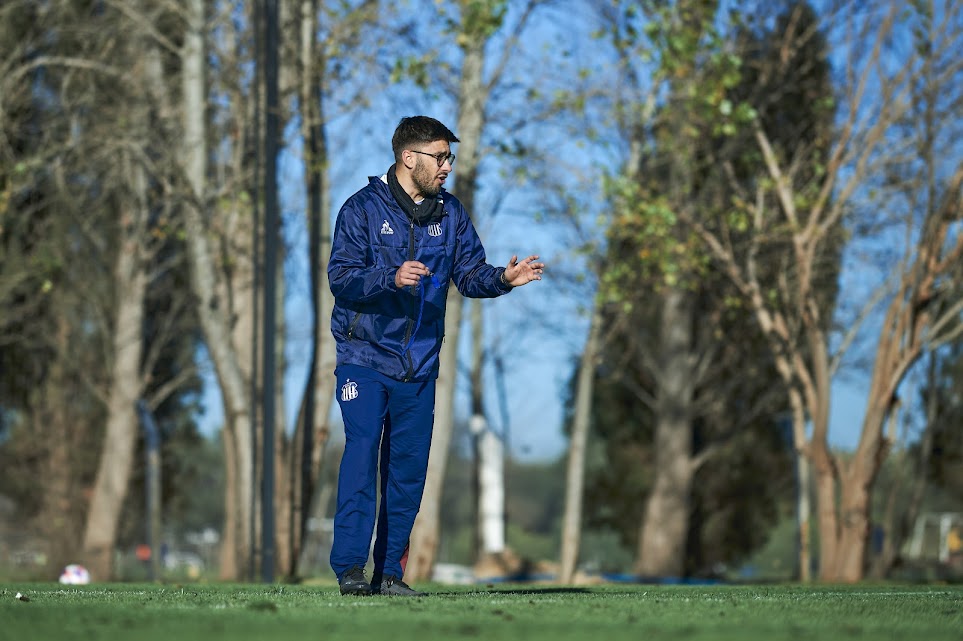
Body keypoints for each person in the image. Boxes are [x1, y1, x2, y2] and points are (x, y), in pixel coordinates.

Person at [327, 116, 544, 596]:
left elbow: (469, 275)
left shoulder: (452, 214)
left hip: (420, 366)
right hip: (362, 358)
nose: (447, 166)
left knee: (407, 471)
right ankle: (349, 570)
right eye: (440, 157)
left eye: (450, 157)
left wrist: (503, 281)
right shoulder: (361, 210)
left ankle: (388, 574)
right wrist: (389, 277)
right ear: (410, 158)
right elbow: (340, 277)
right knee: (362, 453)